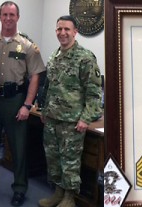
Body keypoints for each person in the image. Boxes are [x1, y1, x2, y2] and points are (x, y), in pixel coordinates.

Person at [0, 1, 45, 206]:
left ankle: (19, 188)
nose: (8, 18)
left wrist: (27, 105)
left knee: (18, 146)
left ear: (18, 17)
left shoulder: (27, 45)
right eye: (4, 14)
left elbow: (35, 76)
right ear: (0, 17)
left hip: (15, 99)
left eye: (12, 15)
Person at [38, 15, 102, 207]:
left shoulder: (85, 58)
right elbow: (49, 87)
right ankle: (58, 193)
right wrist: (44, 110)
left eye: (67, 29)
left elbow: (94, 93)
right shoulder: (54, 55)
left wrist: (85, 118)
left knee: (70, 161)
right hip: (52, 118)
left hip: (72, 122)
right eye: (59, 29)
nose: (62, 33)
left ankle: (69, 198)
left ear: (75, 32)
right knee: (54, 158)